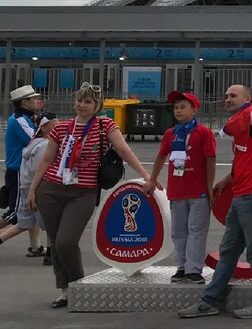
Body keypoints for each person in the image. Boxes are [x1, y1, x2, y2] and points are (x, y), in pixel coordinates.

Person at [178, 73, 252, 319]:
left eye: (233, 95)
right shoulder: (237, 123)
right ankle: (210, 300)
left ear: (247, 97)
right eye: (226, 95)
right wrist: (225, 182)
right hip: (242, 195)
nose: (227, 98)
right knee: (229, 250)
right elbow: (243, 159)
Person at [30, 83, 154, 309]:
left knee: (67, 241)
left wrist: (147, 176)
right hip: (50, 190)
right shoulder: (61, 128)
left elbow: (124, 151)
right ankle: (65, 290)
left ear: (97, 106)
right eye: (79, 100)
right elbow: (46, 161)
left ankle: (79, 286)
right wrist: (32, 190)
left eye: (88, 102)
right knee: (57, 243)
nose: (82, 105)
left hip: (83, 192)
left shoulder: (105, 125)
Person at [147, 91, 216, 284]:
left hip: (198, 191)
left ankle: (194, 269)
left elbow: (210, 159)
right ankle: (181, 266)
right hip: (177, 191)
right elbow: (161, 157)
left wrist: (209, 187)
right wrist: (152, 179)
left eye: (183, 107)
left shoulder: (203, 132)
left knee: (197, 230)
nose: (178, 111)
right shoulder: (171, 133)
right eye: (176, 108)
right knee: (178, 231)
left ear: (194, 110)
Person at [0, 113, 56, 257]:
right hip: (35, 187)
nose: (58, 127)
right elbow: (40, 169)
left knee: (25, 222)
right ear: (44, 128)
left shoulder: (35, 142)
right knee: (52, 218)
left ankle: (40, 248)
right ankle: (51, 252)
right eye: (54, 124)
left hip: (27, 185)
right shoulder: (44, 146)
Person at [6, 85, 44, 220]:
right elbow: (35, 140)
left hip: (24, 169)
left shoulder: (28, 118)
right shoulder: (19, 119)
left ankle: (35, 243)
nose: (37, 101)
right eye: (33, 98)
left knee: (31, 209)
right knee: (16, 214)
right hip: (17, 170)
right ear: (24, 102)